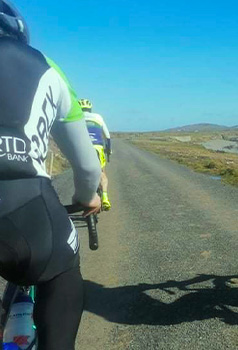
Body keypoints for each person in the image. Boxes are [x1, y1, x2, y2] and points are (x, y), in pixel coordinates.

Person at [0, 1, 102, 348]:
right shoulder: (45, 66)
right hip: (27, 207)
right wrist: (87, 195)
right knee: (61, 274)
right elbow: (87, 166)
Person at [79, 99, 112, 211]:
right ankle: (105, 197)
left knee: (81, 173)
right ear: (90, 108)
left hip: (84, 148)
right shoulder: (98, 117)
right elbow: (107, 136)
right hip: (98, 147)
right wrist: (108, 150)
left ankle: (84, 198)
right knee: (102, 173)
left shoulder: (77, 117)